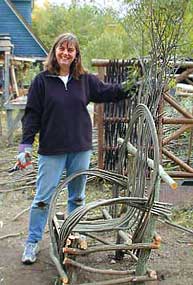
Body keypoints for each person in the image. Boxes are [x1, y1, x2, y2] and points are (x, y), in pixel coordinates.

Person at [18, 32, 132, 265]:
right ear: (55, 51)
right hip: (52, 150)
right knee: (42, 198)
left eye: (71, 50)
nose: (66, 53)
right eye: (62, 48)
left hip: (80, 148)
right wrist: (25, 145)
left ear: (76, 54)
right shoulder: (42, 81)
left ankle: (72, 234)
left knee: (77, 197)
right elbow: (32, 114)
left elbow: (108, 92)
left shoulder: (85, 81)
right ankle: (32, 242)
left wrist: (132, 85)